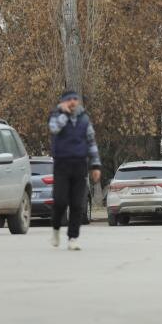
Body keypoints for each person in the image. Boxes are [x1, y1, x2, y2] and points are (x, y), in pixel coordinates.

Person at [48, 90, 101, 250]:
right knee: (60, 201)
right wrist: (64, 114)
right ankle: (56, 229)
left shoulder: (84, 119)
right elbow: (54, 129)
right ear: (63, 101)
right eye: (69, 99)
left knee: (78, 204)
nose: (72, 102)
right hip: (62, 164)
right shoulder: (56, 116)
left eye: (75, 99)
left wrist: (95, 165)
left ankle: (73, 238)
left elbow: (91, 142)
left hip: (79, 165)